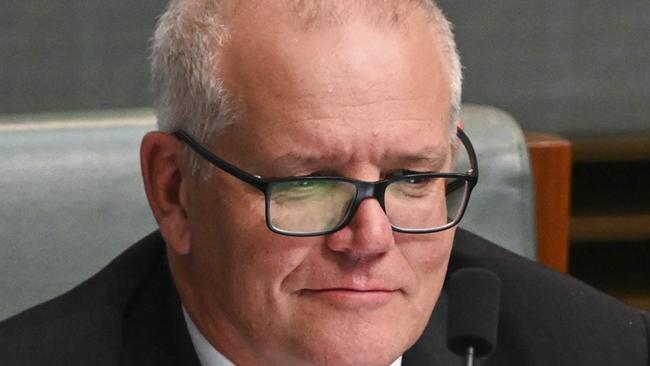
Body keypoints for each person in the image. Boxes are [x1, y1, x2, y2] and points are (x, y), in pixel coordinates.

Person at [1, 0, 648, 365]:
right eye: (308, 184)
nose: (370, 238)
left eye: (412, 177)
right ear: (174, 192)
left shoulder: (596, 352)